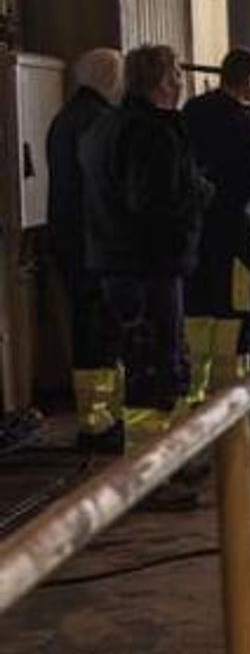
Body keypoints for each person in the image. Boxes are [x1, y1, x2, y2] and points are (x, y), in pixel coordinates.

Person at [82, 45, 212, 508]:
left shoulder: (106, 127)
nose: (181, 79)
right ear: (162, 80)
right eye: (177, 71)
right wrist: (197, 197)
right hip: (149, 267)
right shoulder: (152, 134)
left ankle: (164, 458)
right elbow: (152, 203)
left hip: (118, 263)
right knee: (155, 370)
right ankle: (148, 476)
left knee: (146, 365)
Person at [182, 47, 250, 404]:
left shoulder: (194, 111)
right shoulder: (245, 120)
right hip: (240, 229)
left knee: (199, 308)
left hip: (200, 232)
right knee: (237, 310)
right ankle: (233, 396)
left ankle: (193, 390)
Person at [46, 48, 123, 453]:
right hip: (98, 245)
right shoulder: (102, 123)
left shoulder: (64, 119)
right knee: (101, 332)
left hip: (70, 239)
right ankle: (99, 421)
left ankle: (94, 417)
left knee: (86, 326)